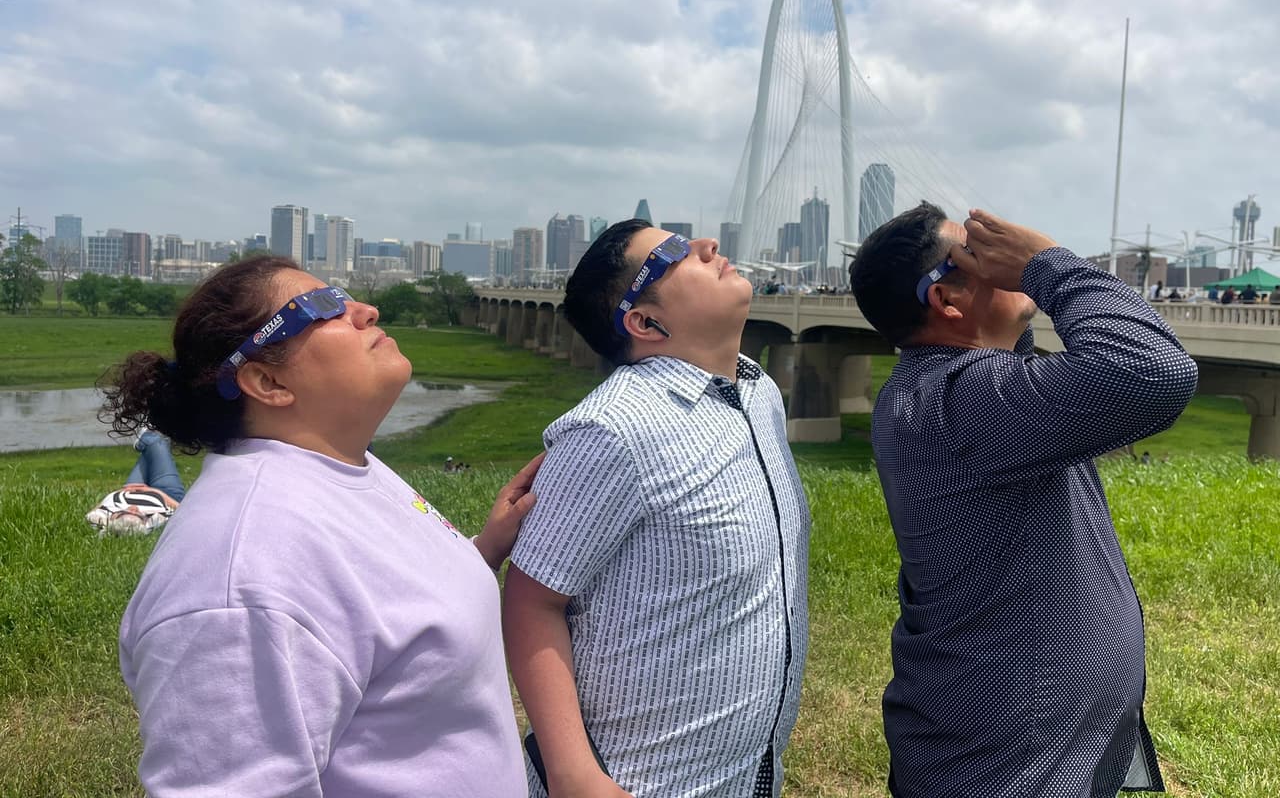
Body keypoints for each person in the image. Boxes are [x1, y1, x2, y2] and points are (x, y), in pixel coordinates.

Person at [101, 254, 542, 798]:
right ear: (266, 380)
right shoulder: (242, 580)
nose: (365, 310)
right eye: (322, 307)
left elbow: (375, 611)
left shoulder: (343, 465)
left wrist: (482, 551)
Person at [848, 204, 1197, 798]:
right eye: (975, 256)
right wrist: (1046, 267)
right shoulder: (957, 401)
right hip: (1011, 762)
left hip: (1028, 736)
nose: (998, 261)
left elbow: (1057, 357)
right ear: (945, 301)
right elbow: (1152, 373)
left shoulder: (967, 386)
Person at [503, 220, 810, 798]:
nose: (706, 246)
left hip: (745, 775)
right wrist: (575, 775)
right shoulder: (613, 428)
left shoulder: (758, 392)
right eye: (673, 253)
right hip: (639, 781)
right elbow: (531, 599)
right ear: (644, 322)